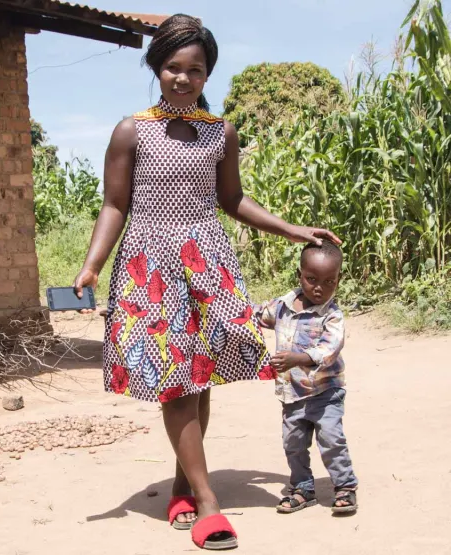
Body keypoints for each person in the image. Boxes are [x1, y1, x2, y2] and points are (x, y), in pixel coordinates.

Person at [72, 15, 341, 551]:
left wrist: (292, 229)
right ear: (157, 67)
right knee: (174, 382)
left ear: (207, 74)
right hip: (151, 268)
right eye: (172, 66)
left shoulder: (222, 133)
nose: (182, 78)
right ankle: (208, 502)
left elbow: (232, 200)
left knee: (200, 378)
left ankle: (180, 485)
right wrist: (92, 264)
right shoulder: (132, 130)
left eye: (195, 69)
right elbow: (114, 204)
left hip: (207, 261)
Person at [256, 242, 358, 515]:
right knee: (293, 444)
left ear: (338, 280)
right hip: (292, 394)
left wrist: (297, 358)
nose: (319, 288)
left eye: (329, 282)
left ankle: (345, 487)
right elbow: (257, 316)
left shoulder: (332, 315)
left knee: (331, 439)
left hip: (326, 392)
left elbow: (330, 348)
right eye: (311, 279)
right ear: (300, 274)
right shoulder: (282, 306)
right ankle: (302, 488)